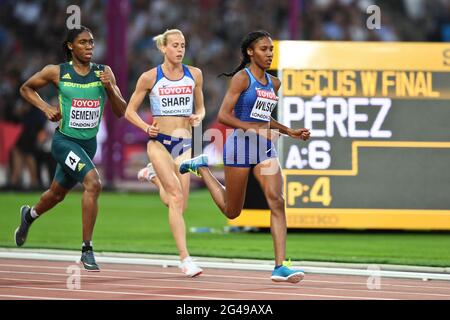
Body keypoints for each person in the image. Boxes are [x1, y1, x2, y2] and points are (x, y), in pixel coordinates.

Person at [179, 30, 311, 283]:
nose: (269, 54)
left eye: (271, 49)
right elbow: (224, 116)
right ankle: (203, 167)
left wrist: (289, 131)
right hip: (240, 147)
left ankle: (280, 266)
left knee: (277, 200)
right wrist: (255, 129)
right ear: (250, 52)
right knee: (232, 212)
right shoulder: (242, 78)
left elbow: (266, 119)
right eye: (264, 49)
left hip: (265, 150)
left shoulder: (274, 83)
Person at [14, 26, 127, 271]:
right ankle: (87, 249)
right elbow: (26, 88)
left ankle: (29, 216)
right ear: (70, 46)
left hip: (88, 144)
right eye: (83, 42)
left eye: (92, 43)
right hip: (64, 142)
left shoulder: (103, 72)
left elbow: (121, 112)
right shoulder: (57, 72)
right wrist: (45, 108)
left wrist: (109, 88)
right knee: (93, 183)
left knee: (56, 194)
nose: (89, 47)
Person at [125, 29, 205, 277]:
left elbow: (201, 108)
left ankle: (152, 176)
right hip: (158, 142)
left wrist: (198, 116)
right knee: (175, 197)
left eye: (183, 45)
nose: (180, 50)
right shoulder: (150, 77)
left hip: (183, 142)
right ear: (163, 48)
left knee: (180, 204)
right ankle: (185, 259)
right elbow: (129, 111)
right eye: (175, 45)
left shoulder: (195, 74)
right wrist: (145, 127)